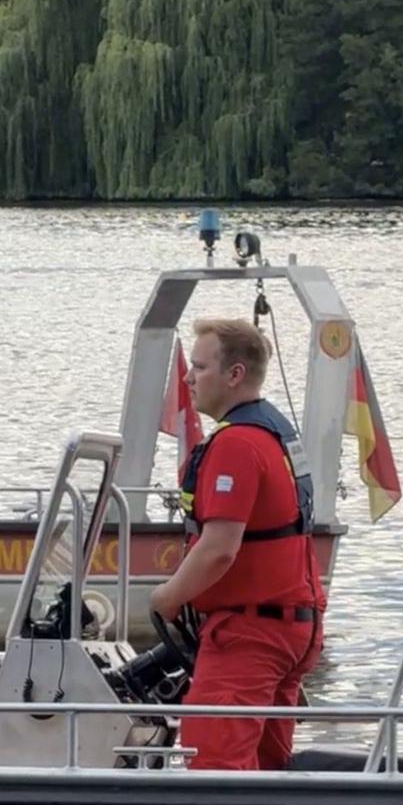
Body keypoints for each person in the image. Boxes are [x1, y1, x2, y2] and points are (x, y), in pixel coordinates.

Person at [148, 318, 324, 772]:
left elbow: (219, 548)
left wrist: (168, 597)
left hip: (249, 636)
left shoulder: (236, 445)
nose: (188, 377)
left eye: (200, 367)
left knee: (214, 768)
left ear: (235, 375)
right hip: (293, 627)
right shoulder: (278, 434)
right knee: (267, 770)